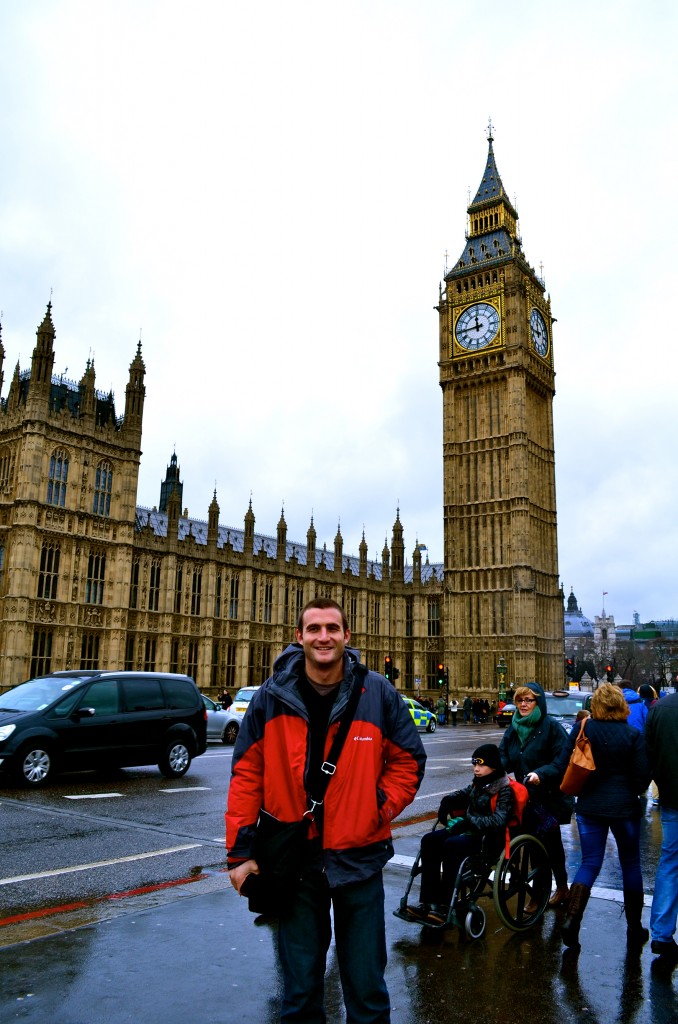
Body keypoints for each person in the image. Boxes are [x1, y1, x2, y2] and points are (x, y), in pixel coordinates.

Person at [226, 597, 426, 1023]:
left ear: (346, 636)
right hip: (293, 865)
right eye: (314, 629)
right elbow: (245, 778)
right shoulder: (271, 697)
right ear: (299, 637)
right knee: (298, 996)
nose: (323, 636)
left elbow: (409, 761)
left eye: (332, 628)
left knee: (368, 992)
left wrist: (375, 808)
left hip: (359, 859)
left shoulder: (377, 692)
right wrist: (240, 854)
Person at [560, 683, 652, 952]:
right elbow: (642, 775)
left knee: (589, 863)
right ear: (621, 706)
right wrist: (630, 790)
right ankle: (635, 928)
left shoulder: (583, 728)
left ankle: (572, 921)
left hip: (590, 806)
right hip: (624, 807)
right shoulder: (634, 735)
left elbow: (567, 760)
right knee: (631, 865)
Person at [406, 744, 514, 924]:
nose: (476, 769)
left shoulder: (504, 789)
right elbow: (462, 794)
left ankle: (446, 904)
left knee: (452, 845)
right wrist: (446, 801)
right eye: (474, 765)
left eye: (481, 765)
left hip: (486, 838)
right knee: (429, 840)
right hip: (468, 830)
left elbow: (498, 821)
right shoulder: (478, 783)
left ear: (493, 766)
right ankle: (429, 901)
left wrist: (468, 819)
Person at [499, 682, 571, 909]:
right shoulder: (513, 728)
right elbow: (504, 758)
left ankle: (553, 889)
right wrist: (490, 769)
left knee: (548, 844)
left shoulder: (551, 728)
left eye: (528, 700)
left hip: (549, 795)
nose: (523, 704)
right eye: (520, 700)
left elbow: (562, 761)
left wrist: (541, 773)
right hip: (525, 796)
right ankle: (547, 890)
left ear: (538, 702)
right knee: (533, 844)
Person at [646, 689, 678, 962]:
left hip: (672, 797)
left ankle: (662, 934)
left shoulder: (661, 708)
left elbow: (649, 753)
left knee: (670, 863)